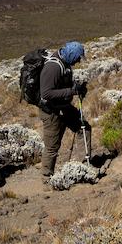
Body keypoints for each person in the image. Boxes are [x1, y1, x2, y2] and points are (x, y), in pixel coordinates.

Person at [37, 40, 89, 182]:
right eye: (78, 58)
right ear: (72, 55)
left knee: (84, 128)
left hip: (63, 107)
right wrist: (71, 91)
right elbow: (46, 93)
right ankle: (46, 178)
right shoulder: (53, 67)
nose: (78, 61)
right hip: (51, 111)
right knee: (52, 145)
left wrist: (77, 88)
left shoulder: (65, 63)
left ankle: (81, 167)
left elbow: (64, 84)